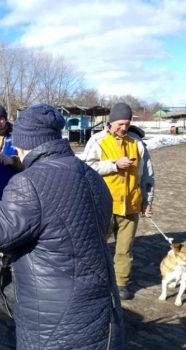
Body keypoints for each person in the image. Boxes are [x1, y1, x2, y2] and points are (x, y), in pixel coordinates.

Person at [0, 104, 124, 350]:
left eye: (18, 143)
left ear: (28, 142)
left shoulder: (30, 182)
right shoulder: (91, 176)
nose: (16, 148)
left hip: (55, 318)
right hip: (103, 309)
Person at [82, 102, 155, 300]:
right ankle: (96, 281)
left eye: (127, 123)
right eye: (120, 123)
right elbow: (86, 168)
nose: (123, 128)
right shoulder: (97, 141)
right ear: (111, 121)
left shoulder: (137, 143)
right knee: (97, 246)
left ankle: (122, 283)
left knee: (125, 249)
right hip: (103, 204)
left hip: (131, 205)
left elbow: (148, 176)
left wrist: (147, 201)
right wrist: (114, 165)